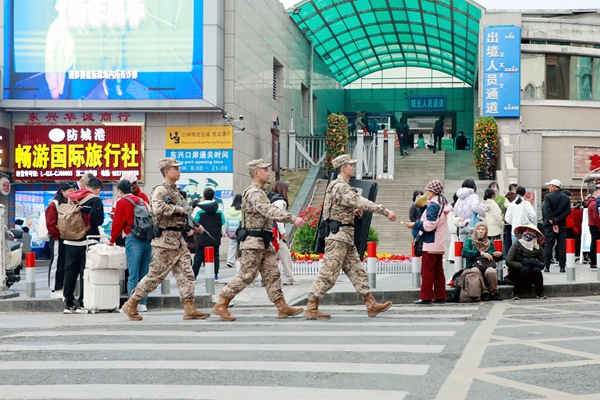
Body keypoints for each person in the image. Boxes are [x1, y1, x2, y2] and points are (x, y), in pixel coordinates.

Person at [303, 154, 397, 319]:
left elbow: (338, 208)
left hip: (345, 237)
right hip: (338, 237)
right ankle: (311, 306)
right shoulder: (340, 186)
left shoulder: (341, 186)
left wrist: (353, 212)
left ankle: (371, 304)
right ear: (343, 168)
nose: (353, 167)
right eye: (351, 165)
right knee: (328, 274)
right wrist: (384, 211)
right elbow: (359, 200)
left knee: (357, 271)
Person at [212, 159, 306, 322]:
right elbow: (267, 209)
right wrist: (291, 218)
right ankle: (221, 303)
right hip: (253, 242)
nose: (268, 173)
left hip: (263, 241)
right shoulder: (254, 192)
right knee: (246, 275)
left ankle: (281, 306)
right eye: (265, 170)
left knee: (273, 273)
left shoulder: (260, 191)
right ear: (256, 173)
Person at [121, 158, 210, 321]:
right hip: (164, 241)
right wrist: (177, 209)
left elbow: (186, 212)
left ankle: (190, 307)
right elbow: (157, 208)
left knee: (187, 274)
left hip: (178, 240)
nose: (179, 171)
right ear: (167, 171)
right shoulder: (160, 190)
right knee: (155, 276)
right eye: (175, 169)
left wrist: (194, 225)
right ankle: (131, 303)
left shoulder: (176, 191)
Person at [63, 178, 105, 314]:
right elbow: (98, 221)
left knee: (70, 272)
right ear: (98, 189)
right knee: (84, 272)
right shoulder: (95, 200)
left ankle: (68, 303)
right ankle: (82, 302)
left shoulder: (73, 197)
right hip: (87, 240)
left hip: (70, 240)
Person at [407, 179, 453, 305]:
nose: (426, 193)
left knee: (427, 271)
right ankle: (440, 296)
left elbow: (430, 225)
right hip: (439, 242)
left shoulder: (433, 205)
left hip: (430, 241)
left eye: (428, 190)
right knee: (438, 271)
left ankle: (426, 296)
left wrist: (415, 224)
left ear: (432, 192)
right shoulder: (443, 203)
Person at [110, 179, 151, 313]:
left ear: (120, 191)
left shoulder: (122, 202)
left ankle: (130, 304)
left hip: (133, 238)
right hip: (147, 239)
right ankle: (143, 303)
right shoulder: (142, 201)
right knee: (144, 273)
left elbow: (117, 224)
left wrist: (112, 240)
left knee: (133, 274)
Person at [46, 181, 76, 299]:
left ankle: (61, 287)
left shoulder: (71, 203)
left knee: (65, 263)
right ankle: (54, 288)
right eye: (70, 191)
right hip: (58, 239)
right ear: (62, 191)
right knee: (56, 262)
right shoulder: (55, 204)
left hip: (68, 238)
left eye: (74, 191)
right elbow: (50, 222)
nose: (72, 193)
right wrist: (57, 236)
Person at [460, 222, 503, 301]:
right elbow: (464, 252)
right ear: (475, 230)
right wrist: (481, 253)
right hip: (474, 265)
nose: (480, 231)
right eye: (478, 229)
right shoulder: (470, 241)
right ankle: (484, 292)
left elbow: (493, 257)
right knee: (475, 270)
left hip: (487, 265)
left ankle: (494, 292)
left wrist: (498, 255)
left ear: (486, 232)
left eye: (483, 229)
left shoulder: (490, 243)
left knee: (491, 271)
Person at [505, 224, 548, 300]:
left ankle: (540, 292)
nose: (529, 232)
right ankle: (514, 292)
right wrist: (521, 265)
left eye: (532, 231)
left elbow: (542, 264)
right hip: (517, 272)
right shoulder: (517, 244)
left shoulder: (538, 247)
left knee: (536, 270)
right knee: (525, 270)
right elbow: (508, 261)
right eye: (527, 230)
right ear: (523, 231)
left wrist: (533, 264)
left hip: (532, 272)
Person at [193, 187, 226, 281]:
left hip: (202, 235)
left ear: (203, 196)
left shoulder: (198, 208)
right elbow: (222, 221)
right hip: (215, 236)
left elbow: (194, 221)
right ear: (213, 196)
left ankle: (194, 275)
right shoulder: (218, 208)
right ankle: (215, 275)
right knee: (215, 255)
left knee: (199, 255)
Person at [269, 181, 299, 285]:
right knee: (281, 254)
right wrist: (283, 232)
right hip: (276, 233)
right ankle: (289, 277)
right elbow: (278, 218)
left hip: (271, 231)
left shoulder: (271, 199)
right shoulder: (280, 202)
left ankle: (289, 277)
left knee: (283, 253)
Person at [542, 179, 571, 273]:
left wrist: (553, 221)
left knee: (548, 245)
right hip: (561, 224)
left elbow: (547, 209)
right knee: (561, 245)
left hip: (549, 224)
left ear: (554, 186)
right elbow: (567, 211)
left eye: (550, 186)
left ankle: (547, 266)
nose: (549, 188)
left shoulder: (548, 197)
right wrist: (558, 220)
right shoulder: (566, 198)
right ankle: (562, 266)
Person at [225, 194, 243, 268]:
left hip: (232, 231)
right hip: (240, 231)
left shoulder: (230, 210)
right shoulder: (242, 210)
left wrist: (227, 230)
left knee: (232, 246)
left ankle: (230, 261)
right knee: (242, 246)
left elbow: (227, 221)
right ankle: (242, 261)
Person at [504, 183, 519, 254]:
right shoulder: (515, 197)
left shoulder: (506, 197)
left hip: (506, 221)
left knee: (507, 239)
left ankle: (507, 254)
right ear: (514, 189)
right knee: (514, 238)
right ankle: (513, 254)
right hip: (514, 221)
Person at [587, 190, 600, 269]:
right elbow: (596, 216)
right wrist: (599, 226)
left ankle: (594, 261)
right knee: (595, 244)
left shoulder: (591, 203)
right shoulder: (594, 203)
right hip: (595, 226)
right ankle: (594, 261)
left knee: (594, 243)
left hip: (593, 225)